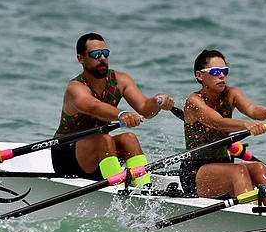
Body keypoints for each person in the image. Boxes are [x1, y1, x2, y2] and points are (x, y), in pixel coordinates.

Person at [51, 33, 174, 186]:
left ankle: (143, 186)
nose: (102, 58)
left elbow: (145, 109)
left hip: (101, 153)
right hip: (66, 153)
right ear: (80, 58)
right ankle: (118, 189)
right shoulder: (75, 88)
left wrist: (157, 102)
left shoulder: (120, 80)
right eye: (95, 54)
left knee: (129, 138)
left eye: (105, 53)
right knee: (104, 138)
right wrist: (121, 114)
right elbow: (92, 106)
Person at [180, 49, 266, 206]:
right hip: (196, 171)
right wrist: (245, 125)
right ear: (199, 75)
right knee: (239, 170)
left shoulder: (231, 94)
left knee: (259, 168)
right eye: (215, 71)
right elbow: (218, 122)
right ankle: (253, 215)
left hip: (224, 165)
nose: (221, 76)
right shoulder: (194, 101)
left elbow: (252, 110)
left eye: (224, 71)